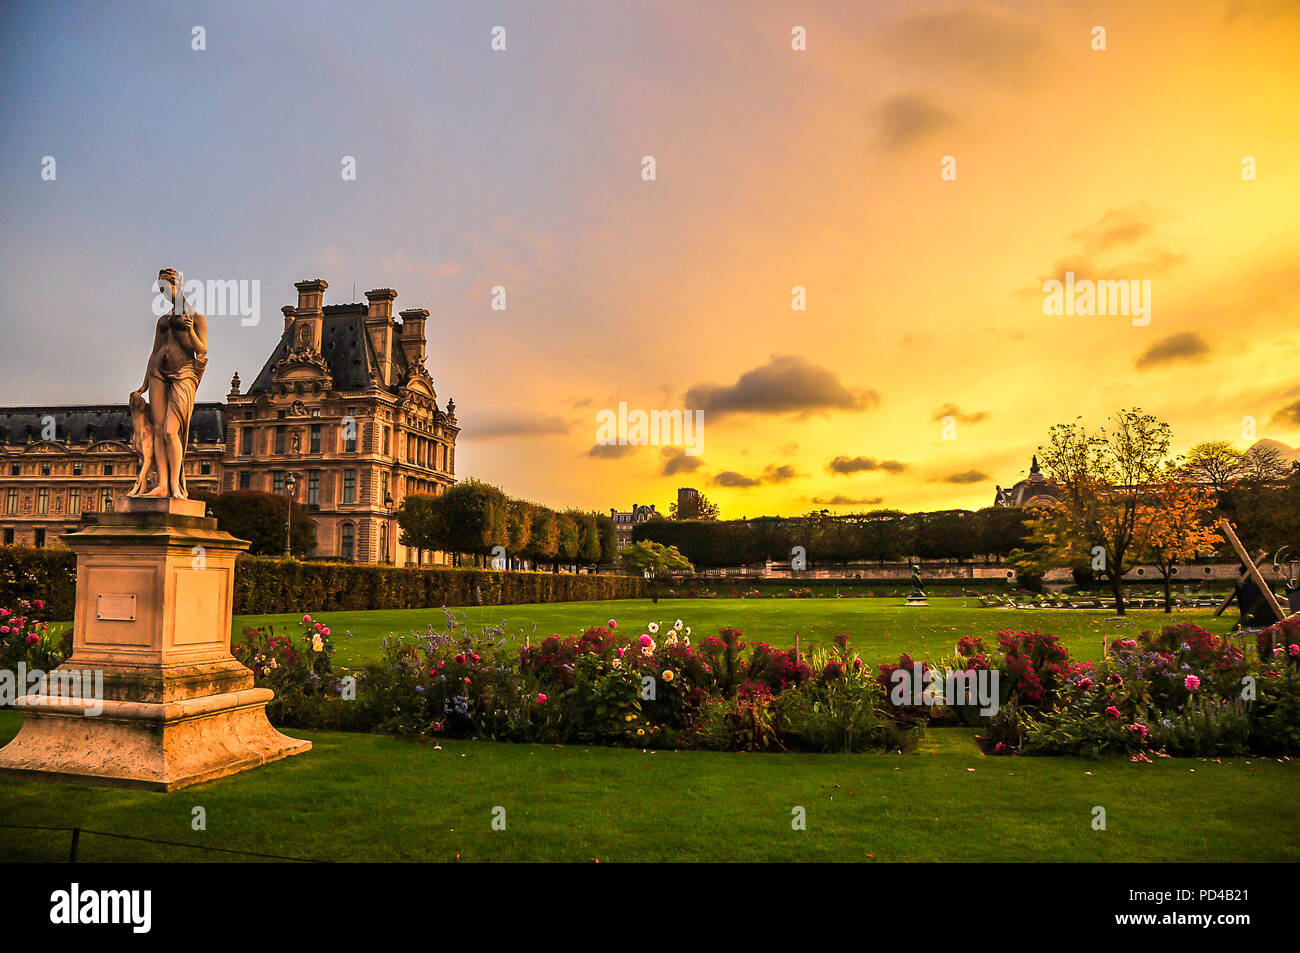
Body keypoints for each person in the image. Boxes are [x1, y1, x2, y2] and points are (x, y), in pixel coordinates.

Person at [132, 268, 208, 498]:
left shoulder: (196, 316)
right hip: (158, 373)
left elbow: (202, 350)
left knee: (170, 430)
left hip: (183, 373)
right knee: (157, 430)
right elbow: (154, 351)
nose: (164, 293)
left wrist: (190, 332)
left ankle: (175, 484)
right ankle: (163, 484)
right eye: (160, 290)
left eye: (167, 288)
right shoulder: (162, 320)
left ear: (180, 285)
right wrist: (143, 385)